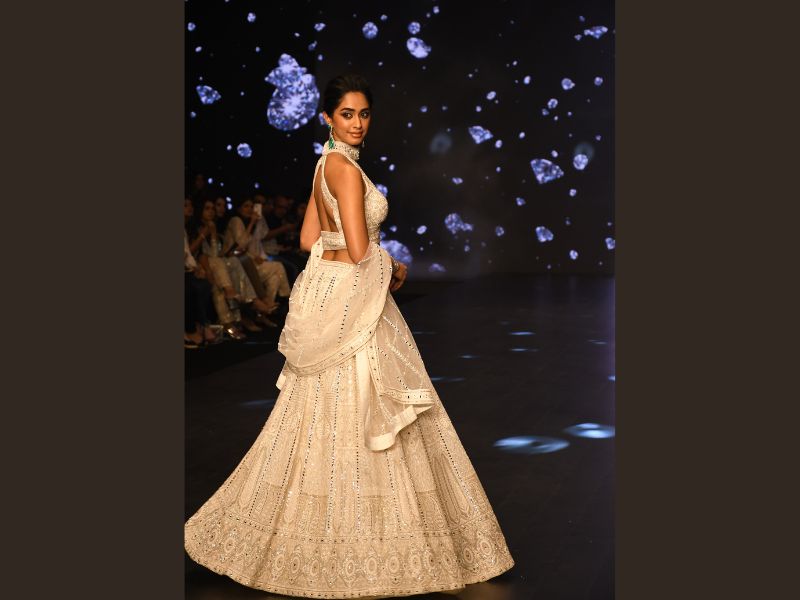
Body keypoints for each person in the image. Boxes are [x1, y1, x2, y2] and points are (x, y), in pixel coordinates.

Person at [185, 73, 514, 597]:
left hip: (335, 295)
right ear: (327, 117)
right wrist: (395, 266)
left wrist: (333, 268)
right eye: (347, 114)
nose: (357, 123)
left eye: (363, 114)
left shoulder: (326, 165)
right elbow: (361, 250)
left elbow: (309, 238)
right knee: (369, 406)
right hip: (355, 298)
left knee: (322, 412)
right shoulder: (343, 168)